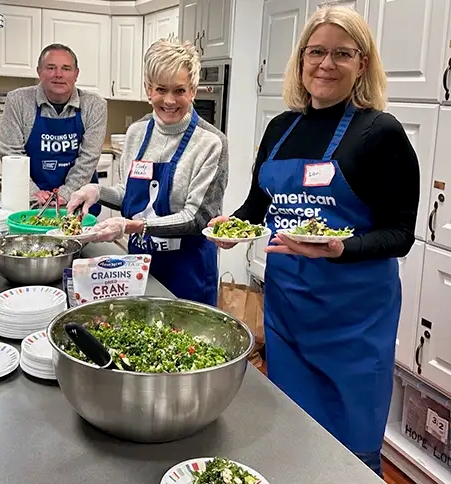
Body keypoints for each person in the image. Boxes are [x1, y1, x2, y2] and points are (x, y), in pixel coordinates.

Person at [208, 6, 419, 477]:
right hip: (288, 311)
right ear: (301, 59)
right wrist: (231, 228)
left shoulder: (379, 133)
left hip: (353, 321)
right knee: (291, 430)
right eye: (316, 51)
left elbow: (401, 234)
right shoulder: (281, 129)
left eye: (342, 53)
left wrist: (340, 248)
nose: (326, 64)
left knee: (348, 445)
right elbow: (257, 207)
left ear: (362, 64)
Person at [67, 39, 228, 306]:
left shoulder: (211, 143)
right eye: (160, 89)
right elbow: (129, 194)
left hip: (188, 274)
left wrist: (133, 226)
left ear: (193, 90)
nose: (169, 100)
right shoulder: (136, 133)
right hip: (139, 268)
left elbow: (197, 218)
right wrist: (96, 191)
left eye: (179, 90)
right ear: (147, 88)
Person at [0, 43, 107, 216]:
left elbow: (88, 158)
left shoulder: (95, 105)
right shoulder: (18, 100)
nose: (58, 75)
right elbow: (11, 154)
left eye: (66, 68)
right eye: (51, 68)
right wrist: (32, 192)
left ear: (76, 74)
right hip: (30, 202)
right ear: (39, 72)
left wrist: (66, 193)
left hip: (76, 201)